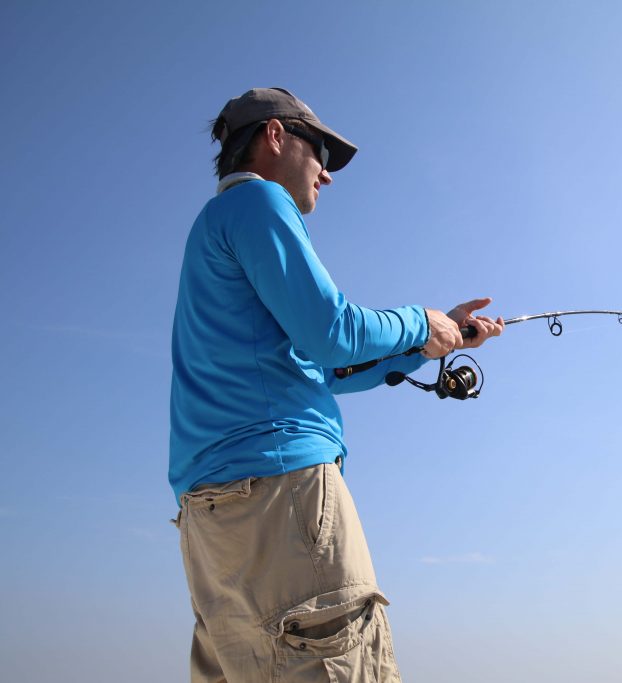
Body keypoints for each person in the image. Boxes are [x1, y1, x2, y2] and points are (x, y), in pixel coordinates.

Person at [170, 87, 503, 682]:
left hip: (212, 517)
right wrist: (419, 319)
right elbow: (333, 331)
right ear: (275, 137)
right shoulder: (259, 203)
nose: (326, 173)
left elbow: (320, 369)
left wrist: (427, 348)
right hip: (283, 498)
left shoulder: (212, 227)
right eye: (320, 150)